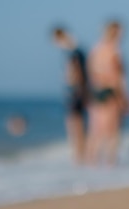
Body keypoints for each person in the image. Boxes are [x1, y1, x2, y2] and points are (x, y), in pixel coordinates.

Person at [86, 20, 129, 166]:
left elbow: (91, 73)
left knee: (96, 132)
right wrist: (124, 97)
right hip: (111, 94)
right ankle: (110, 165)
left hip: (96, 93)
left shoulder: (96, 49)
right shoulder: (113, 50)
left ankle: (91, 165)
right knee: (112, 133)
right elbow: (118, 78)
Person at [52, 26, 89, 164]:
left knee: (75, 128)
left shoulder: (72, 51)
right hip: (79, 92)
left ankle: (79, 159)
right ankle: (81, 158)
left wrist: (71, 83)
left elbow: (76, 72)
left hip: (74, 94)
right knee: (79, 127)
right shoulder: (77, 50)